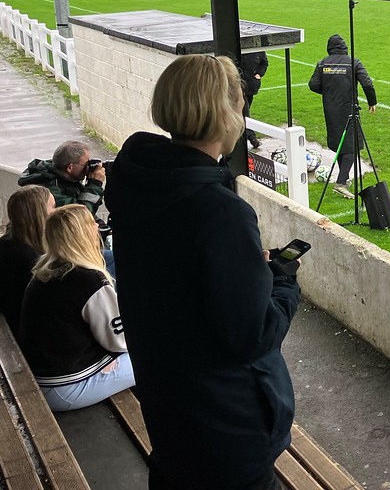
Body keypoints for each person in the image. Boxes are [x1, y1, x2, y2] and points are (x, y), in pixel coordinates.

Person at [105, 53, 301, 490]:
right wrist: (284, 283)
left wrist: (247, 270)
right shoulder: (220, 213)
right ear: (228, 111)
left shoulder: (136, 184)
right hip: (225, 429)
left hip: (169, 408)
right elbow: (252, 336)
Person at [17, 204, 134, 412]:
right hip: (64, 386)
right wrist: (109, 357)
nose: (97, 228)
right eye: (91, 224)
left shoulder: (45, 270)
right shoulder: (89, 279)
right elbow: (121, 342)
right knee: (157, 357)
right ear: (81, 234)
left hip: (41, 376)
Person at [308, 34, 378, 198]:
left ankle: (344, 179)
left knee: (340, 144)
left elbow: (313, 85)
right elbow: (367, 83)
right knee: (352, 146)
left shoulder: (323, 63)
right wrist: (372, 101)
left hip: (330, 110)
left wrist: (329, 92)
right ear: (345, 47)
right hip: (349, 110)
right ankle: (340, 183)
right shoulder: (353, 62)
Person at [0, 186, 53, 336]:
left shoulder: (8, 246)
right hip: (25, 338)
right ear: (39, 214)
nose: (57, 212)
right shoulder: (29, 260)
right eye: (53, 207)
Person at [19, 140, 105, 214]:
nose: (88, 167)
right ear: (70, 168)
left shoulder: (61, 176)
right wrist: (94, 185)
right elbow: (79, 216)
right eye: (86, 164)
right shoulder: (50, 189)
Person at [240, 50, 269, 149]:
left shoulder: (258, 51)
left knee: (243, 112)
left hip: (251, 85)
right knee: (245, 110)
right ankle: (252, 138)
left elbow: (264, 63)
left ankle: (241, 135)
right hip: (239, 86)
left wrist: (259, 74)